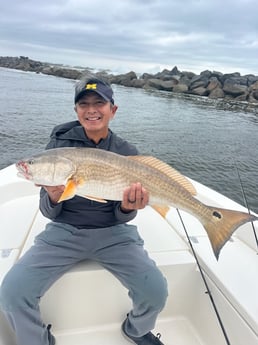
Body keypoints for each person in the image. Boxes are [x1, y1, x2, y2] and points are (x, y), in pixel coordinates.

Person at [0, 77, 168, 345]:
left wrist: (127, 207)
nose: (91, 109)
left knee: (156, 290)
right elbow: (48, 212)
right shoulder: (59, 148)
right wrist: (54, 197)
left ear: (113, 110)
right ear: (76, 111)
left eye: (99, 103)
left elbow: (124, 215)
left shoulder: (127, 152)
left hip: (114, 234)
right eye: (83, 104)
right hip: (64, 232)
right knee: (11, 292)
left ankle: (135, 330)